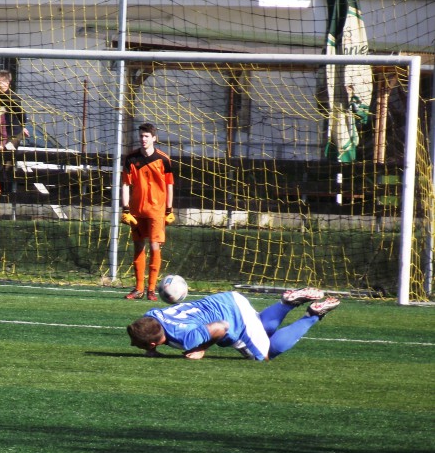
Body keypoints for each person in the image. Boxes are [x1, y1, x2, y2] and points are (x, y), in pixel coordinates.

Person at [126, 288, 341, 361]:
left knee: (266, 353)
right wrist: (151, 349)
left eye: (136, 342)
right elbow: (150, 329)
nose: (132, 344)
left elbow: (220, 327)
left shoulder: (186, 338)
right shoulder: (150, 315)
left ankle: (312, 315)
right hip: (228, 298)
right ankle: (286, 303)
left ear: (152, 343)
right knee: (260, 329)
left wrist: (201, 348)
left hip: (231, 319)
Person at [121, 123, 174, 301]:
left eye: (146, 136)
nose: (143, 139)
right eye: (141, 136)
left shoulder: (163, 159)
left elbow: (169, 185)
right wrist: (125, 209)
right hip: (137, 211)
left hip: (157, 211)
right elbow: (125, 185)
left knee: (154, 246)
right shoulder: (130, 158)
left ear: (154, 138)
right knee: (138, 246)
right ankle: (138, 288)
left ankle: (151, 289)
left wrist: (169, 210)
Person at [0, 69, 28, 146]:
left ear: (7, 83)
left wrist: (22, 127)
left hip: (13, 134)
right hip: (1, 133)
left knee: (9, 151)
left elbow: (22, 114)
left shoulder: (13, 97)